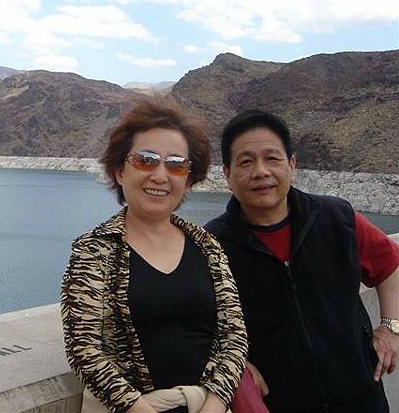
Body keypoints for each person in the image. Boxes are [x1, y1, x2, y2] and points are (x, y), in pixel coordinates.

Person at [205, 109, 399, 413]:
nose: (261, 171)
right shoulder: (211, 246)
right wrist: (235, 363)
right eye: (246, 162)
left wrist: (391, 328)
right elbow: (194, 322)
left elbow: (390, 266)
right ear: (227, 176)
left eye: (272, 159)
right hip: (280, 403)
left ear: (291, 166)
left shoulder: (336, 218)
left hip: (362, 398)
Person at [61, 99, 248, 413]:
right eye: (146, 160)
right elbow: (84, 348)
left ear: (188, 179)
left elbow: (235, 337)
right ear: (120, 171)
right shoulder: (94, 250)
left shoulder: (208, 248)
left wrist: (214, 405)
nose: (161, 176)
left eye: (176, 165)